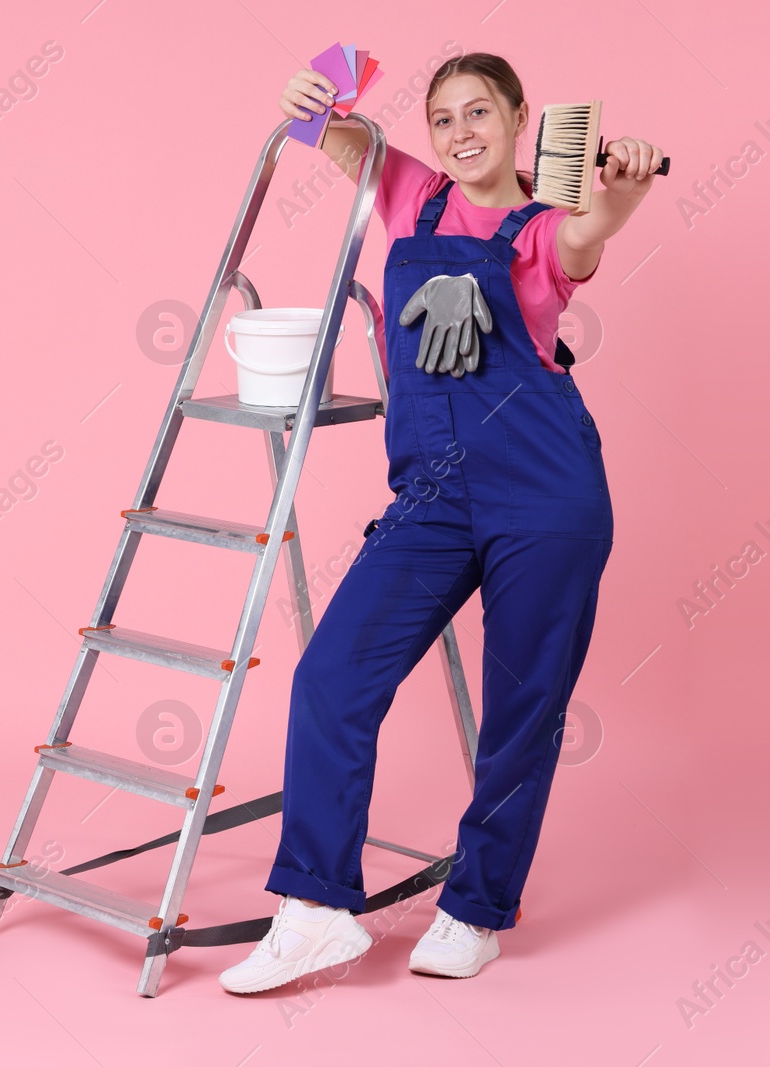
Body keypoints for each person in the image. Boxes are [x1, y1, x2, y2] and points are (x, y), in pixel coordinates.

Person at [219, 53, 664, 995]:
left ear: (518, 120)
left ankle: (474, 909)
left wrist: (620, 192)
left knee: (520, 711)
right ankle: (315, 910)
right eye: (445, 118)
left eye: (481, 115)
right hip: (432, 494)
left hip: (545, 498)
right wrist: (309, 103)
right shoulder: (413, 196)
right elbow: (339, 141)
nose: (463, 134)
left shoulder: (545, 229)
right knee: (332, 677)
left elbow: (591, 233)